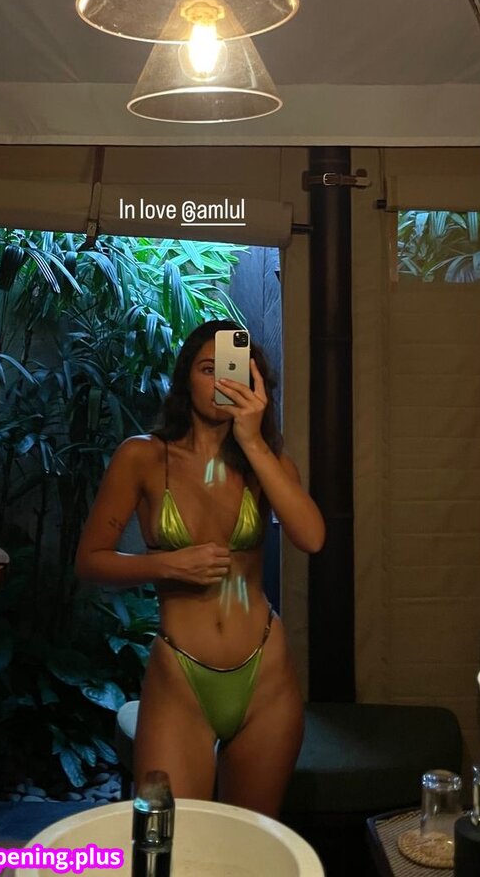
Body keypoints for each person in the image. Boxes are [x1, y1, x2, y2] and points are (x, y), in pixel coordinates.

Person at [75, 319, 325, 817]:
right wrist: (166, 564)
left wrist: (253, 441)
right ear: (185, 377)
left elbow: (312, 537)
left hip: (265, 674)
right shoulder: (142, 457)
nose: (220, 382)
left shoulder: (268, 463)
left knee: (248, 840)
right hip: (180, 675)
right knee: (169, 837)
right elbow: (90, 562)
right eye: (208, 369)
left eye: (233, 370)